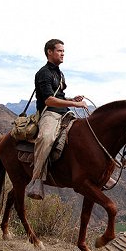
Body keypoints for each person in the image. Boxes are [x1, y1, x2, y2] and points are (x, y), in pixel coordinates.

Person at [26, 39, 88, 200]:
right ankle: (37, 179)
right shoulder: (43, 73)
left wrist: (72, 100)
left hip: (64, 112)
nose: (62, 54)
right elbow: (49, 100)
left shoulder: (59, 73)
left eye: (63, 51)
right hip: (50, 113)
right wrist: (76, 104)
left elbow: (58, 96)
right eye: (60, 51)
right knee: (46, 138)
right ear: (49, 52)